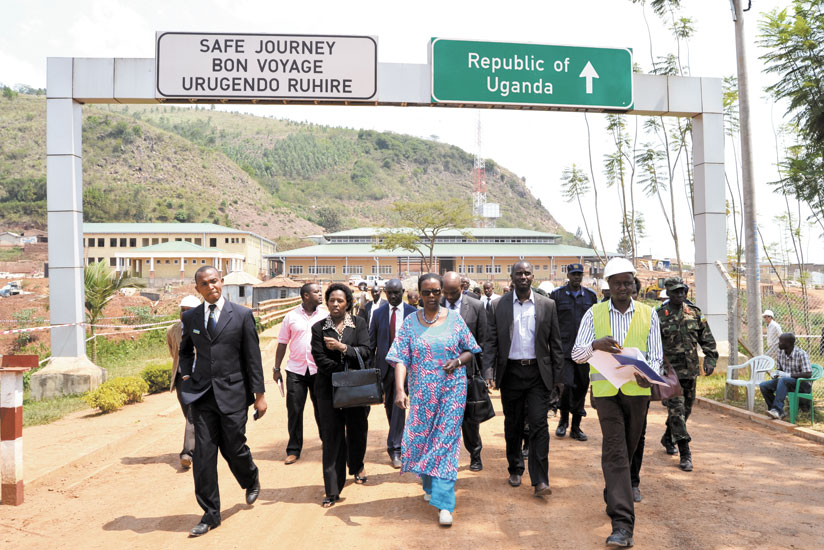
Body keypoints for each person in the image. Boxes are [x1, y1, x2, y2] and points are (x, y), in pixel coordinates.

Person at [571, 257, 663, 548]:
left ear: (634, 284)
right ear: (608, 286)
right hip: (606, 394)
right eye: (617, 282)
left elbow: (657, 356)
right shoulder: (593, 314)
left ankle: (614, 491)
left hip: (637, 393)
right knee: (616, 451)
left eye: (628, 281)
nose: (624, 287)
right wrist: (594, 346)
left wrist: (651, 375)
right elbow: (576, 354)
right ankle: (623, 525)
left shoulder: (650, 314)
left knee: (629, 448)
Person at [178, 266, 267, 537]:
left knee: (234, 447)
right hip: (202, 396)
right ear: (198, 289)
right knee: (204, 456)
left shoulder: (241, 315)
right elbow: (185, 350)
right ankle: (210, 514)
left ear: (222, 282)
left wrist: (259, 395)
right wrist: (185, 375)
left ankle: (250, 477)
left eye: (214, 281)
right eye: (204, 284)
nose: (210, 287)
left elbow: (252, 357)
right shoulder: (191, 316)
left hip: (233, 394)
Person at [386, 273, 480, 526]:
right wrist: (399, 390)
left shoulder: (455, 319)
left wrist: (458, 361)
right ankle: (429, 483)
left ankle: (445, 504)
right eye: (426, 292)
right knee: (423, 440)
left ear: (442, 293)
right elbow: (401, 358)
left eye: (435, 292)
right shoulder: (409, 323)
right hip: (422, 394)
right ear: (417, 293)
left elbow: (470, 349)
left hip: (452, 391)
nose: (431, 296)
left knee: (445, 444)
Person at [484, 261, 564, 498]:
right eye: (518, 273)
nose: (523, 276)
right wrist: (489, 371)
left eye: (527, 273)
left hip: (538, 374)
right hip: (511, 373)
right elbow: (491, 342)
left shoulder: (547, 305)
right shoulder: (498, 306)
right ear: (511, 277)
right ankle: (515, 467)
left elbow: (556, 345)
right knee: (513, 423)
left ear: (533, 277)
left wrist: (558, 379)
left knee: (539, 425)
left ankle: (540, 480)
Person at [311, 283, 371, 508]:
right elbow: (320, 360)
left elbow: (366, 351)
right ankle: (332, 489)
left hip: (356, 390)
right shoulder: (318, 328)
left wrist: (342, 347)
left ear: (348, 303)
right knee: (332, 438)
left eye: (340, 301)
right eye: (331, 300)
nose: (335, 304)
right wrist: (343, 371)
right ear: (326, 303)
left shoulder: (359, 324)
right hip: (328, 391)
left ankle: (356, 465)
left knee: (357, 431)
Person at [657, 277, 718, 472]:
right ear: (668, 293)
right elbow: (653, 344)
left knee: (686, 411)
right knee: (676, 410)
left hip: (690, 372)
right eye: (675, 291)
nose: (680, 294)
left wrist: (710, 359)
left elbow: (706, 338)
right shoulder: (659, 316)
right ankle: (685, 453)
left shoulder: (694, 313)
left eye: (682, 291)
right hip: (670, 373)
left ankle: (668, 437)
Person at [273, 282, 328, 465]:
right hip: (296, 371)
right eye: (316, 292)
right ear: (306, 296)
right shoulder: (291, 317)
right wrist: (276, 368)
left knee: (322, 408)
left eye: (320, 292)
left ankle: (327, 441)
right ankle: (293, 449)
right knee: (295, 410)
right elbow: (282, 342)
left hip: (319, 370)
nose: (320, 295)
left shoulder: (326, 315)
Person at [441, 271, 489, 472]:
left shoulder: (476, 306)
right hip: (441, 372)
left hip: (468, 372)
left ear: (462, 288)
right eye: (447, 292)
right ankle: (444, 460)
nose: (450, 297)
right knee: (444, 420)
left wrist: (485, 373)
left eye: (454, 292)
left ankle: (475, 454)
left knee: (470, 420)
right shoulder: (436, 305)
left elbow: (483, 340)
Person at [369, 278, 416, 468]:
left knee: (399, 406)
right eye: (390, 293)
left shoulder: (413, 313)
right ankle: (397, 436)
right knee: (390, 406)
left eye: (397, 293)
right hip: (384, 368)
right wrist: (369, 369)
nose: (394, 296)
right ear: (385, 293)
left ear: (403, 292)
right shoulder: (379, 313)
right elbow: (371, 343)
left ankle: (395, 449)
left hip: (406, 368)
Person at [550, 263, 599, 442]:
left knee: (581, 387)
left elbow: (596, 322)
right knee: (566, 387)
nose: (577, 277)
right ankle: (563, 421)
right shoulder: (557, 295)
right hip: (564, 350)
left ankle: (576, 426)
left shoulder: (591, 296)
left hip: (584, 350)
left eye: (579, 274)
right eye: (573, 274)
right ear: (568, 275)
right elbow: (551, 322)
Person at [166, 294, 200, 469]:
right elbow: (174, 352)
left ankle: (187, 452)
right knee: (189, 415)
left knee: (193, 414)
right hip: (181, 378)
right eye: (182, 311)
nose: (184, 314)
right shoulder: (173, 330)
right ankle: (202, 443)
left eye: (189, 311)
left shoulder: (206, 327)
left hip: (200, 378)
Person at [760, 332, 812, 420]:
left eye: (780, 341)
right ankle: (777, 411)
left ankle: (777, 410)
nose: (778, 343)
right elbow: (780, 370)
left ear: (788, 343)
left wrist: (788, 375)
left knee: (783, 380)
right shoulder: (781, 353)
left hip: (802, 384)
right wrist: (776, 374)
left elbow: (808, 374)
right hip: (786, 382)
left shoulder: (801, 354)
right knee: (764, 385)